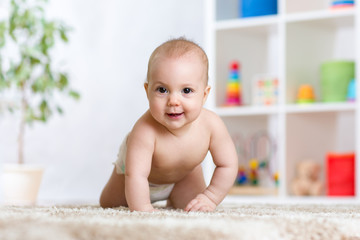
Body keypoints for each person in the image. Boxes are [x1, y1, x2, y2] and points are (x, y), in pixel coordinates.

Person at [99, 37, 238, 212]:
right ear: (147, 91)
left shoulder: (211, 125)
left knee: (195, 208)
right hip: (137, 178)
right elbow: (136, 175)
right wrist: (143, 209)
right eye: (162, 90)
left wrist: (210, 197)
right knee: (110, 204)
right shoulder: (144, 131)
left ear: (204, 94)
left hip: (184, 177)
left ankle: (175, 197)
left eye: (186, 91)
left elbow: (228, 164)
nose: (173, 101)